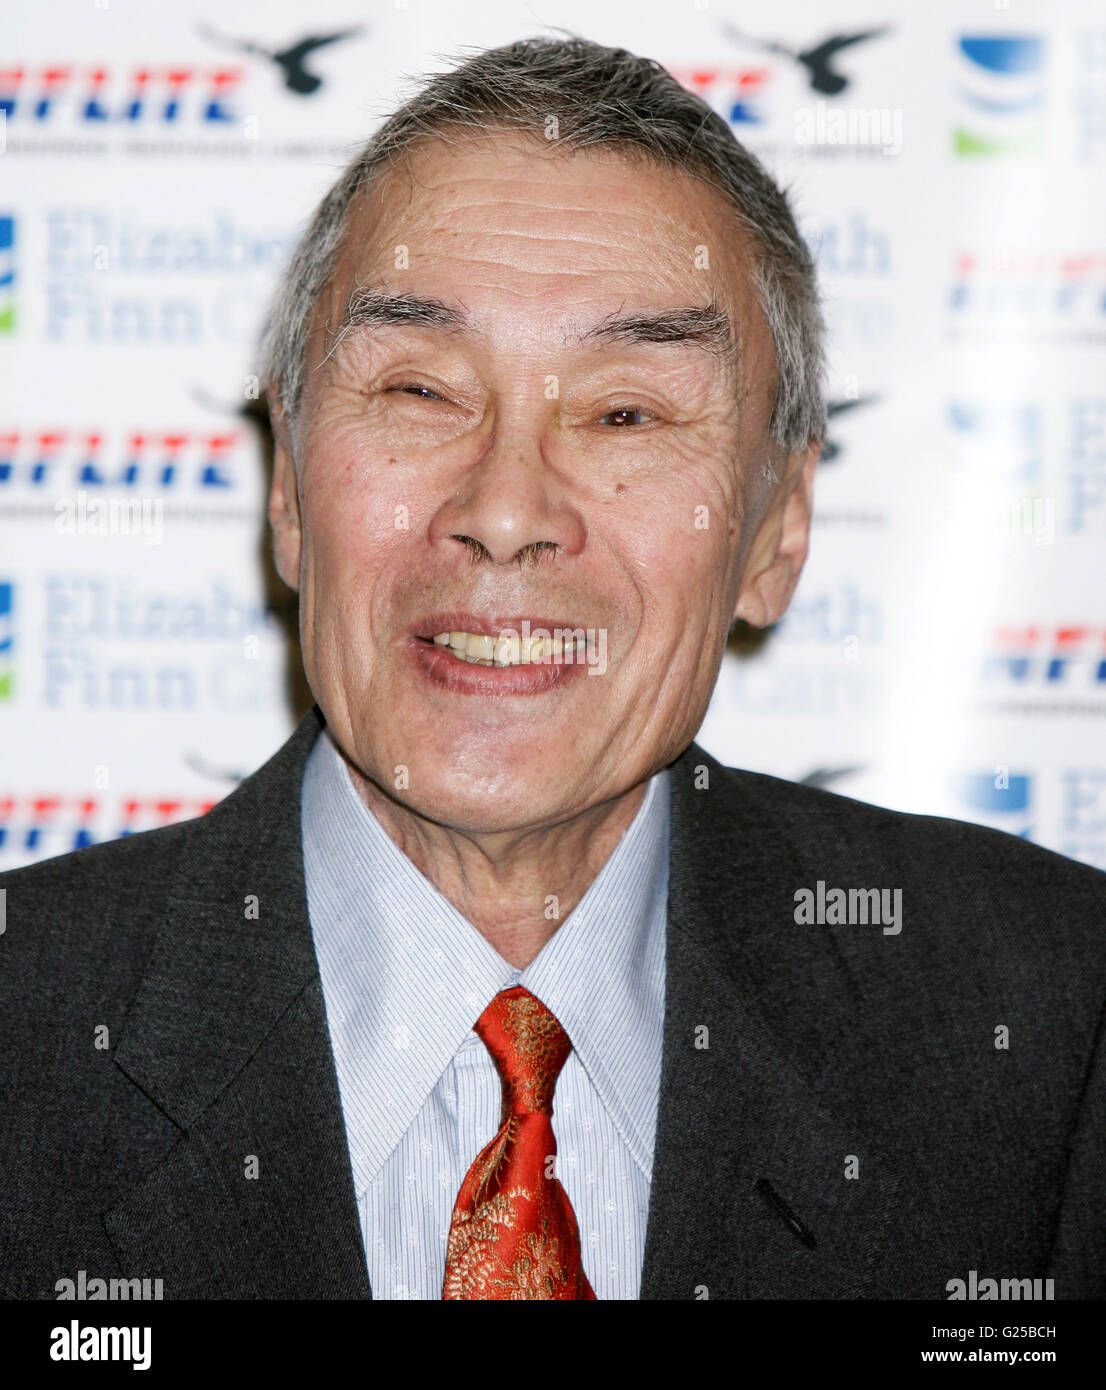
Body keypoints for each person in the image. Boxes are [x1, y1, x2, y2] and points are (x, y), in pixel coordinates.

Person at [1, 36, 1103, 1302]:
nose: (507, 507)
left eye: (624, 412)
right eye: (418, 389)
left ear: (774, 531)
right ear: (289, 495)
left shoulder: (1049, 1024)